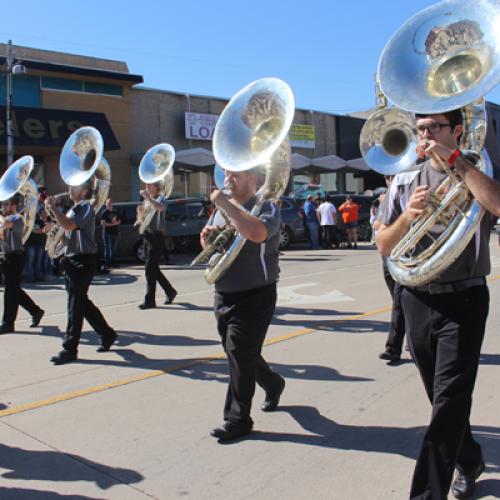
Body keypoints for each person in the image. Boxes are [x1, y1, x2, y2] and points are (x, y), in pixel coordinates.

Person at [376, 108, 500, 499]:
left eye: (434, 127)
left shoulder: (476, 169)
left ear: (456, 130)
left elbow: (497, 205)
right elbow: (384, 244)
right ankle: (470, 459)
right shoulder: (405, 180)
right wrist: (409, 217)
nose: (425, 134)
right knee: (441, 399)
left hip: (464, 298)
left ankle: (427, 493)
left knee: (448, 401)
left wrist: (456, 163)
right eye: (420, 128)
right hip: (416, 298)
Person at [201, 167, 285, 442]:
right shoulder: (222, 207)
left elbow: (257, 232)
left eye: (235, 173)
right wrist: (207, 236)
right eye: (226, 172)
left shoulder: (265, 205)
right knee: (238, 353)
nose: (227, 178)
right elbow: (207, 242)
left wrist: (224, 203)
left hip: (255, 293)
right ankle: (273, 383)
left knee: (239, 352)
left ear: (252, 178)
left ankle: (237, 419)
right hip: (225, 292)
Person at [46, 182, 117, 365]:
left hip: (83, 261)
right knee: (81, 303)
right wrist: (53, 230)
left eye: (74, 186)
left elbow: (69, 226)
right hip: (71, 260)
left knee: (75, 306)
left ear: (84, 191)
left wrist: (54, 208)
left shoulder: (86, 207)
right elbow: (66, 234)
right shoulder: (73, 209)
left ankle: (69, 349)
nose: (69, 189)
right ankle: (107, 334)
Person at [0, 195, 45, 334]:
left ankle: (8, 323)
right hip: (6, 256)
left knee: (10, 291)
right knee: (14, 290)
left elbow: (5, 224)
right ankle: (36, 311)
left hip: (16, 257)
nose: (3, 207)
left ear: (13, 206)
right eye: (2, 204)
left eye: (6, 204)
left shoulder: (17, 219)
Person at [137, 183, 177, 309]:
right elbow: (141, 218)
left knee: (150, 269)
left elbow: (160, 208)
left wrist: (147, 198)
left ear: (157, 187)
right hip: (147, 236)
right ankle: (170, 292)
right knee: (153, 269)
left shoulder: (161, 198)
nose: (147, 187)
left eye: (150, 185)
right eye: (146, 185)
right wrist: (140, 212)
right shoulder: (146, 201)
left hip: (157, 237)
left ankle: (150, 300)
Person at [100, 198, 121, 270]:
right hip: (107, 233)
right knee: (107, 249)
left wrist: (117, 223)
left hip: (115, 232)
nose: (109, 204)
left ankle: (113, 263)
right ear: (106, 204)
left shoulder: (116, 212)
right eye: (107, 203)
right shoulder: (104, 212)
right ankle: (108, 264)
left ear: (112, 203)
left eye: (110, 203)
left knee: (113, 249)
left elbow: (119, 221)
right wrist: (112, 224)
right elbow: (103, 223)